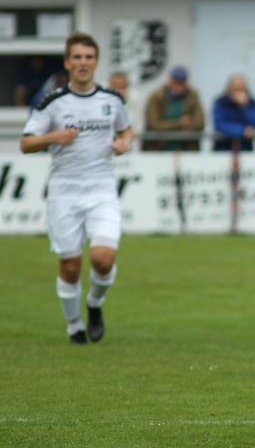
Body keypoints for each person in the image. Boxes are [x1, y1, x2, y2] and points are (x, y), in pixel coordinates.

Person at [20, 32, 132, 344]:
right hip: (64, 192)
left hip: (102, 189)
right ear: (68, 63)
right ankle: (74, 326)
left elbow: (126, 130)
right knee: (70, 267)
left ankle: (95, 303)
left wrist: (124, 143)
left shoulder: (112, 100)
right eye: (77, 58)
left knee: (103, 258)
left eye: (89, 57)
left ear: (96, 62)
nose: (83, 63)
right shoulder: (52, 102)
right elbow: (26, 143)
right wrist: (52, 137)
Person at [142, 66, 205, 151]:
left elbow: (199, 124)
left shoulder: (193, 96)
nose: (179, 86)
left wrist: (169, 125)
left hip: (187, 148)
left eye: (182, 83)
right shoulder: (156, 97)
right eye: (176, 82)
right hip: (158, 148)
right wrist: (179, 123)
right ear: (170, 81)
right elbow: (153, 124)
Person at [213, 74, 255, 151]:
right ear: (230, 89)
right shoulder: (221, 102)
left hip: (246, 147)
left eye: (243, 89)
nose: (240, 92)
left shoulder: (252, 103)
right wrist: (242, 131)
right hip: (223, 147)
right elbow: (219, 124)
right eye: (237, 89)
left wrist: (244, 107)